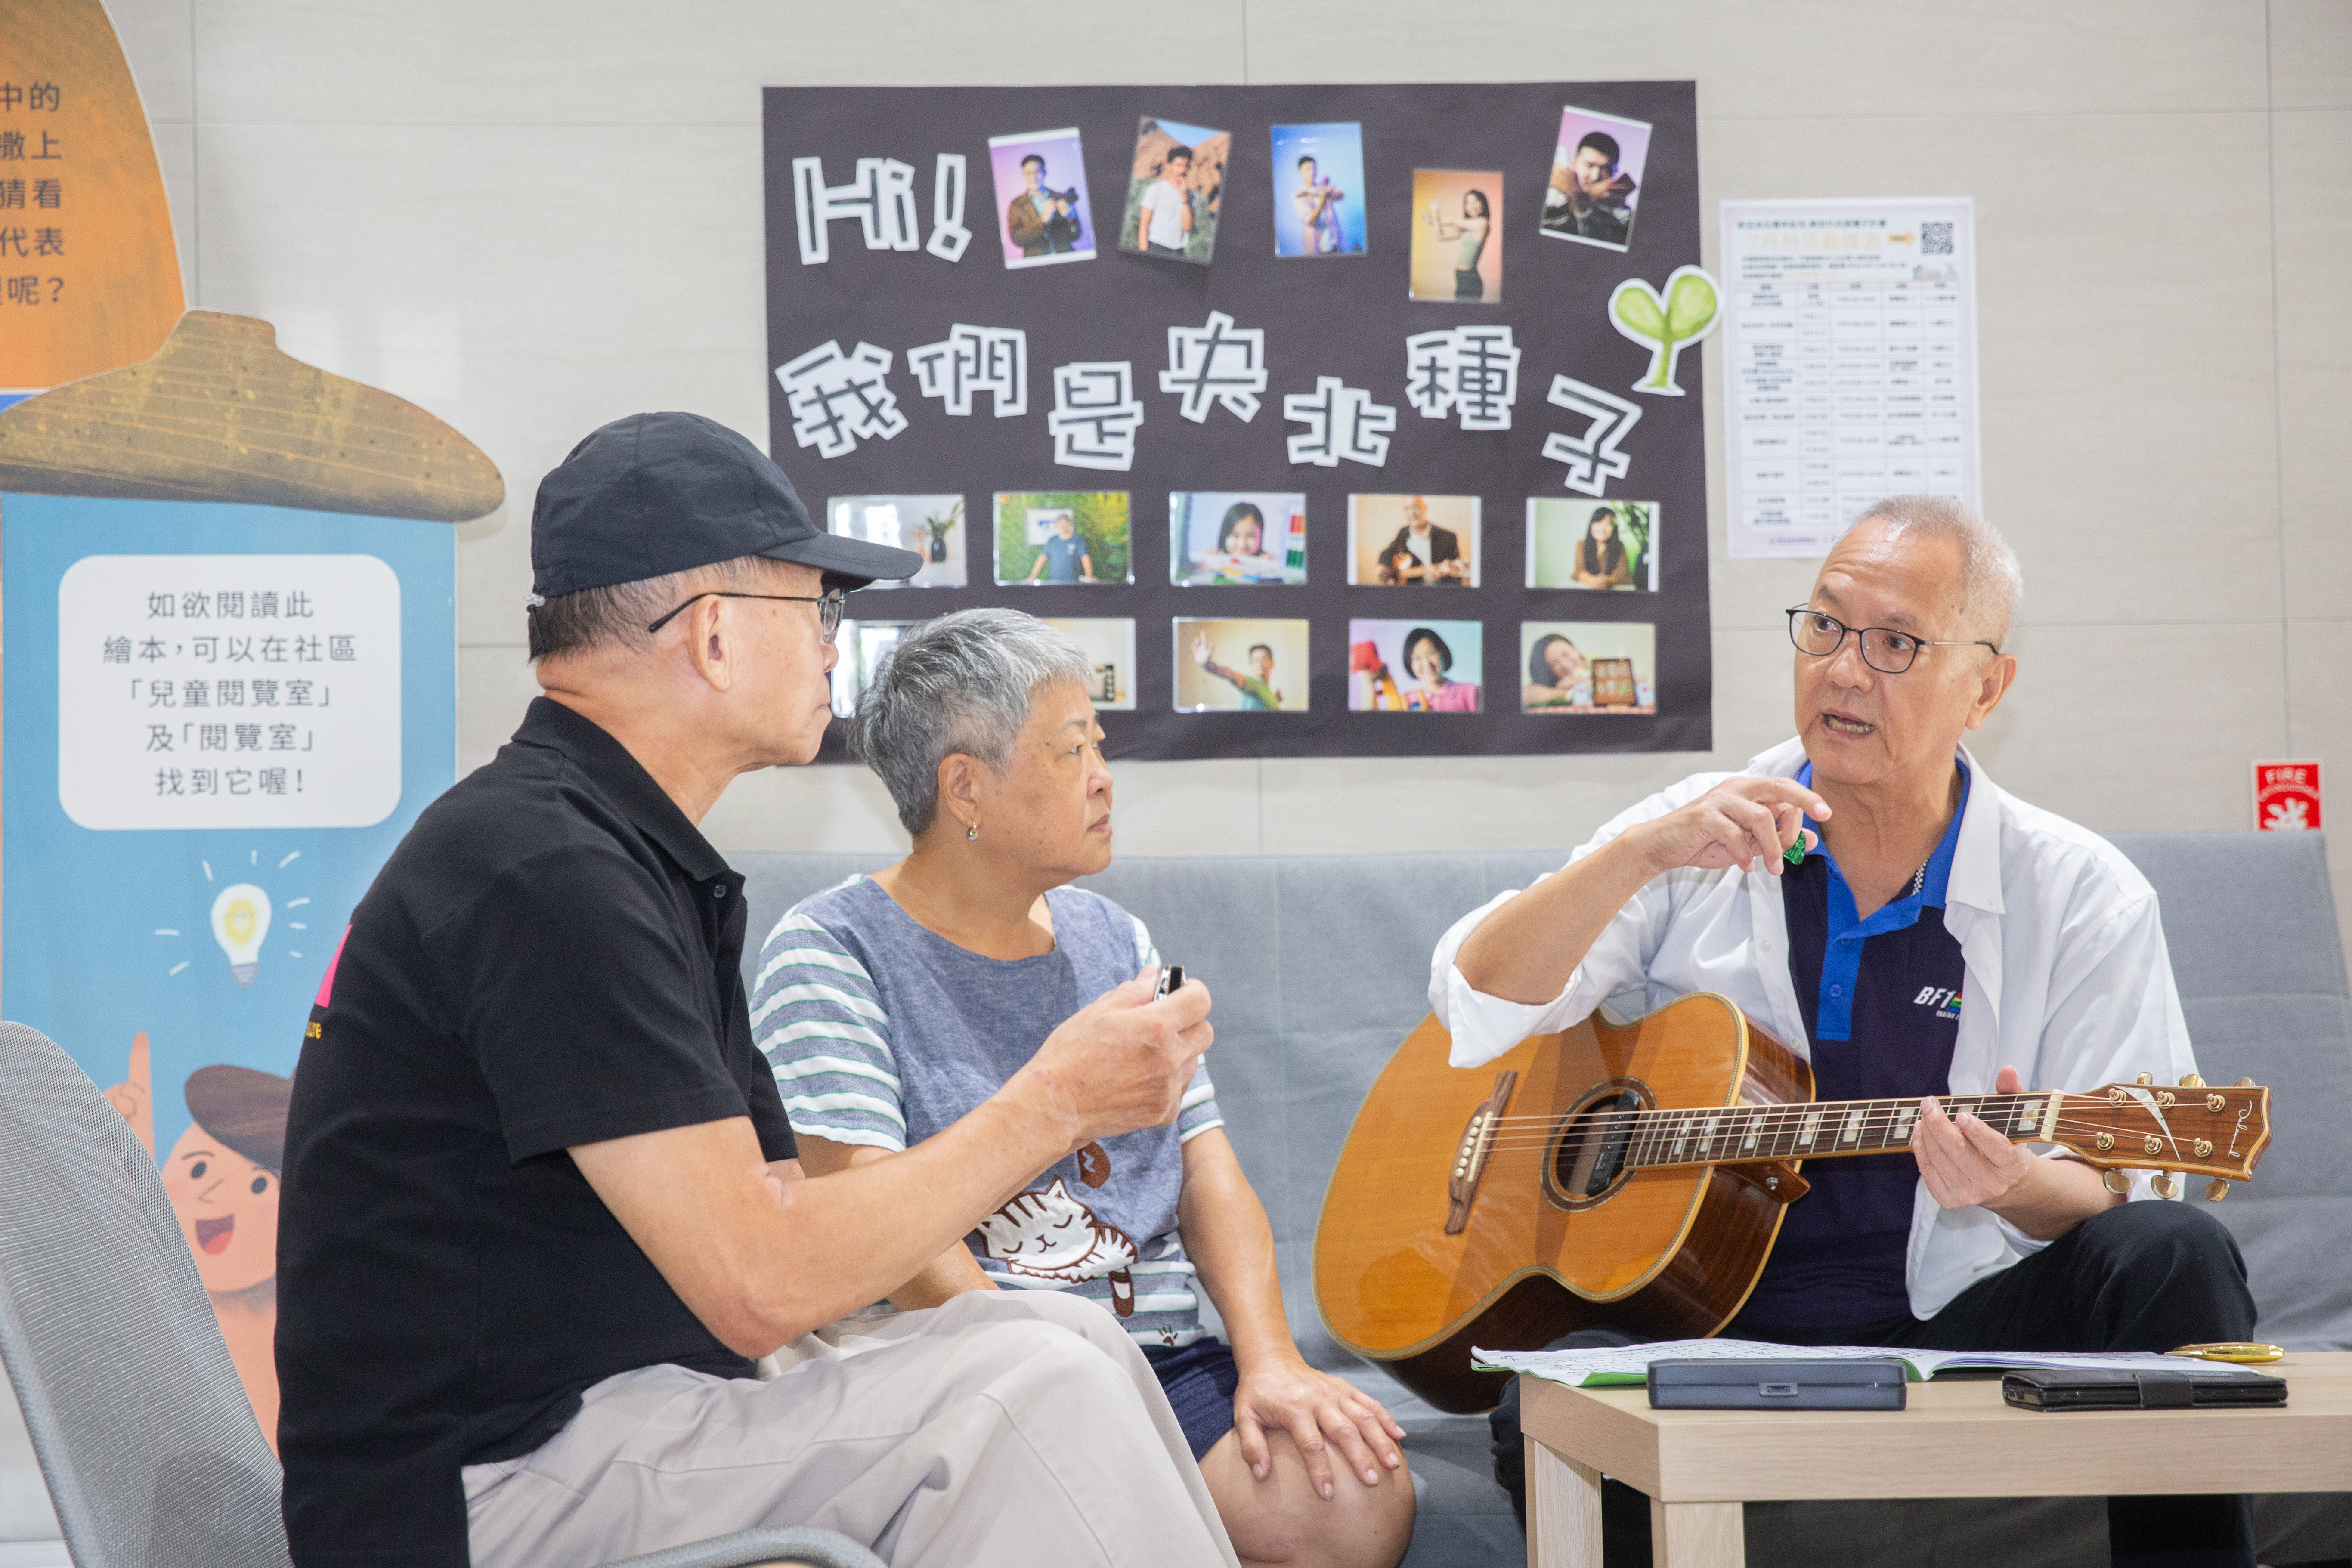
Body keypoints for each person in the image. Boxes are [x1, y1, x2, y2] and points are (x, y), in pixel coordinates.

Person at [276, 411, 1236, 1568]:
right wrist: (1055, 1103)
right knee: (1028, 1386)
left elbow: (785, 1214)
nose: (837, 645)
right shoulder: (545, 871)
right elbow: (762, 1283)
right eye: (819, 608)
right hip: (485, 1482)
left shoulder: (618, 851)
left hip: (617, 1410)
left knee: (1048, 1330)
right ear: (718, 634)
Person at [1436, 495, 2257, 1568]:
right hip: (1702, 1328)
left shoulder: (2079, 893)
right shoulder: (1700, 825)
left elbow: (2137, 1185)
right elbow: (1475, 1006)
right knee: (1542, 1396)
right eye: (1823, 625)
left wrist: (2011, 1183)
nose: (1842, 669)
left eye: (1895, 643)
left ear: (1984, 686)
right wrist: (1639, 852)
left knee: (2173, 1251)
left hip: (1962, 1322)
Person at [759, 609, 1414, 1568]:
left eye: (1098, 746)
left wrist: (1271, 1359)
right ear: (964, 788)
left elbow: (1208, 1174)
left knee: (1350, 1500)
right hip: (954, 1363)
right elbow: (878, 1225)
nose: (1104, 776)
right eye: (1071, 752)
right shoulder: (830, 950)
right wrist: (1050, 1385)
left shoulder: (1119, 940)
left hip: (1156, 1360)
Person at [106, 1033, 292, 1450]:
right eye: (197, 1170)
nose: (214, 1195)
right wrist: (120, 1169)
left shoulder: (305, 1322)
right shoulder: (155, 1303)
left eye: (260, 1183)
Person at [1541, 130, 1636, 245]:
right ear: (1574, 165)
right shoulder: (1550, 195)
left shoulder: (1623, 216)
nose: (1596, 177)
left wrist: (1577, 197)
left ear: (1615, 172)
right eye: (1589, 166)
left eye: (1606, 169)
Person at [1374, 496, 1466, 586]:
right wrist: (1382, 567)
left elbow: (1458, 576)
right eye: (1407, 509)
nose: (1412, 513)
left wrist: (1447, 574)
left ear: (1425, 508)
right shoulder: (1403, 533)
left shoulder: (1448, 537)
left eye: (1415, 507)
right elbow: (1387, 552)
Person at [1007, 153, 1083, 257]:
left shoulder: (1061, 198)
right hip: (1036, 262)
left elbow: (1076, 236)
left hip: (1065, 257)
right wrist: (1042, 221)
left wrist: (1071, 219)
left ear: (1045, 173)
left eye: (1037, 172)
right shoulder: (1017, 205)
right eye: (1028, 173)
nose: (1033, 177)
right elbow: (1017, 239)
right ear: (1023, 175)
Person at [1423, 188, 1492, 301]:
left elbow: (1454, 221)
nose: (1472, 206)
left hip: (1470, 279)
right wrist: (1435, 213)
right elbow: (1441, 237)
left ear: (1483, 203)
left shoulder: (1483, 223)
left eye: (1476, 201)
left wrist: (1433, 219)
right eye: (1468, 203)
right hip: (1461, 277)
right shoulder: (1468, 228)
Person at [1192, 632, 1281, 711]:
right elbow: (1231, 675)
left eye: (1264, 659)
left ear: (1272, 663)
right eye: (1256, 660)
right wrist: (1208, 665)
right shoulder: (1254, 685)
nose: (1260, 663)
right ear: (1251, 665)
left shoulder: (1267, 691)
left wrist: (1276, 700)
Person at [1399, 627, 1479, 713]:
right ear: (1410, 664)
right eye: (1418, 658)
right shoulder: (1405, 702)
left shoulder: (1472, 692)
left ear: (1443, 654)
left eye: (1431, 653)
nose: (1427, 664)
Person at [1138, 145, 1196, 258]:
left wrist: (1184, 198)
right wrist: (1143, 254)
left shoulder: (1192, 196)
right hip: (1156, 247)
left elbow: (1187, 226)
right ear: (1168, 166)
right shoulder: (1155, 189)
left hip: (1179, 252)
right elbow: (1144, 224)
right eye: (1179, 166)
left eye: (1186, 166)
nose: (1183, 170)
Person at [1569, 506, 1634, 589]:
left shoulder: (1620, 546)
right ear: (1591, 525)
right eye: (1598, 522)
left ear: (1614, 528)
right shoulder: (1582, 545)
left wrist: (1607, 581)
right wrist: (1592, 580)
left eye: (1608, 524)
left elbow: (1623, 574)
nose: (1602, 528)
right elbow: (1579, 571)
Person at [1292, 155, 1345, 256]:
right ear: (1300, 172)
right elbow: (1311, 221)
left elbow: (1341, 195)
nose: (1312, 172)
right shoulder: (1298, 196)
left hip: (1335, 244)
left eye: (1314, 168)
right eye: (1308, 169)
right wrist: (1322, 200)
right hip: (1317, 249)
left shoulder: (1323, 189)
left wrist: (1326, 192)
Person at [1025, 510, 1097, 583]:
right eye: (1060, 523)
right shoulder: (1052, 541)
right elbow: (1042, 559)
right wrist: (1033, 576)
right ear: (1057, 525)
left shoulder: (1079, 539)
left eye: (1065, 522)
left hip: (1074, 584)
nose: (1062, 525)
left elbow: (1085, 558)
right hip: (1055, 584)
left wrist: (1089, 576)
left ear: (1070, 523)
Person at [1521, 634, 1590, 709]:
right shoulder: (1557, 686)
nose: (1565, 665)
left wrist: (1578, 688)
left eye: (1566, 654)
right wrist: (1566, 692)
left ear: (1575, 649)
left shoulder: (1594, 661)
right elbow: (1525, 695)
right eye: (1554, 663)